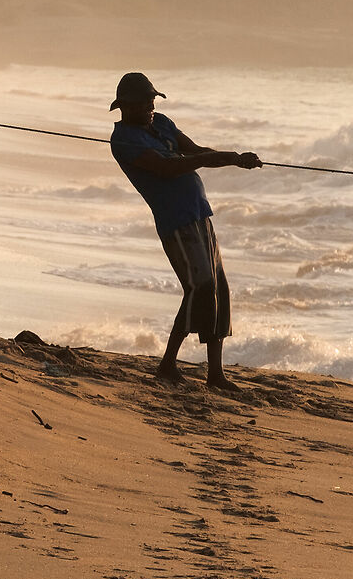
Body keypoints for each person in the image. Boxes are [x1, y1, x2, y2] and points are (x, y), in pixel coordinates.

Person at [108, 72, 260, 391]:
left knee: (218, 288)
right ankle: (167, 364)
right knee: (200, 287)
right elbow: (167, 167)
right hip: (174, 220)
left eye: (153, 100)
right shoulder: (123, 140)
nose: (152, 106)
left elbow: (193, 150)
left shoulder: (162, 122)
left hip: (199, 212)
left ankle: (215, 374)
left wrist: (234, 159)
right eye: (146, 102)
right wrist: (208, 159)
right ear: (126, 106)